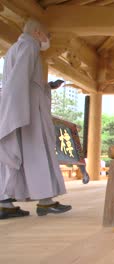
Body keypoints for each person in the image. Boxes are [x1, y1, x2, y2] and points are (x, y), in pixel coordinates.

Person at [0, 19, 72, 219]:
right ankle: (46, 201)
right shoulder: (30, 46)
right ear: (38, 32)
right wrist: (15, 112)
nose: (48, 39)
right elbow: (18, 82)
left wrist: (47, 87)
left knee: (16, 158)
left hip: (20, 110)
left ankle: (5, 203)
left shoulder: (14, 49)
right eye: (47, 35)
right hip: (27, 114)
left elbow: (24, 82)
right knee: (38, 155)